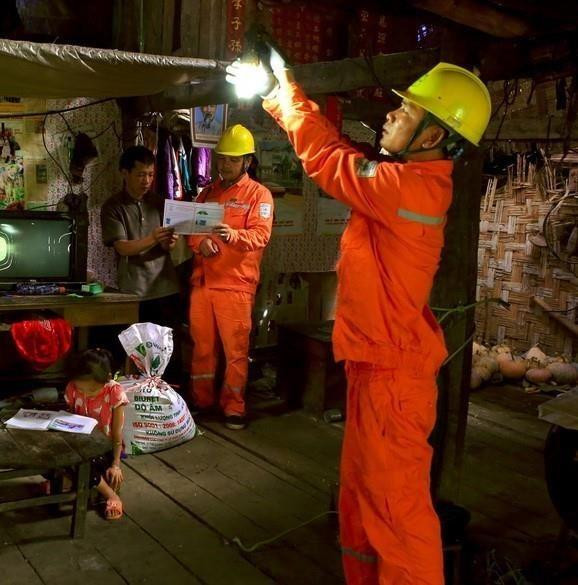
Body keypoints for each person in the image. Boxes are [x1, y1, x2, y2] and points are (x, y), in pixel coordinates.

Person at [232, 56, 491, 584]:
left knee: (396, 518)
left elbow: (330, 159)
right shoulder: (406, 183)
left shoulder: (412, 189)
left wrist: (285, 93)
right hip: (378, 371)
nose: (391, 116)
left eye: (405, 110)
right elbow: (343, 156)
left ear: (433, 134)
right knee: (361, 506)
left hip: (392, 379)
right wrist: (285, 93)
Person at [187, 124, 274, 431]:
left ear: (247, 162)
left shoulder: (259, 195)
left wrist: (233, 235)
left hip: (235, 285)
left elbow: (260, 236)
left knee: (235, 351)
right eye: (221, 158)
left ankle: (234, 406)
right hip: (202, 283)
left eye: (232, 160)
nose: (225, 164)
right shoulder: (206, 193)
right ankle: (201, 401)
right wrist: (202, 243)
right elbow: (193, 231)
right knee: (202, 348)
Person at [100, 146, 181, 368]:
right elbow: (123, 248)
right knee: (135, 353)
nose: (146, 180)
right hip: (134, 290)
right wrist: (154, 238)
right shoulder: (113, 207)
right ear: (124, 173)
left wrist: (168, 243)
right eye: (140, 174)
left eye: (151, 174)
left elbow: (167, 246)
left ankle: (165, 397)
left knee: (164, 354)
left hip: (165, 287)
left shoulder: (160, 203)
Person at [64, 349, 128, 520]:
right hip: (78, 443)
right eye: (80, 389)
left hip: (104, 448)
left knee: (84, 465)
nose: (85, 394)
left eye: (91, 390)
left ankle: (110, 495)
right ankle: (72, 480)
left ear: (106, 379)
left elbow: (116, 433)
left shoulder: (114, 392)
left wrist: (115, 464)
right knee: (60, 457)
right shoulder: (71, 388)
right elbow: (70, 418)